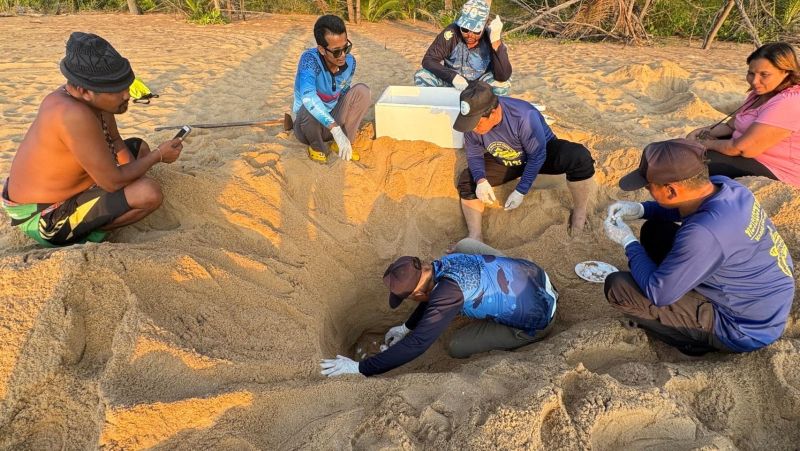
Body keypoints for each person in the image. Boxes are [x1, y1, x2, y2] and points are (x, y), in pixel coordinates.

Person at [603, 139, 795, 356]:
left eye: (649, 187)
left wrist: (628, 242)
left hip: (743, 328)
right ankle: (682, 287)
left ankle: (691, 342)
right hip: (765, 300)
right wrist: (640, 209)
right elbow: (683, 209)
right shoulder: (728, 187)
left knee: (618, 287)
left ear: (671, 190)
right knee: (654, 230)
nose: (647, 190)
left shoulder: (703, 233)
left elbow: (659, 294)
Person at [2, 32, 183, 247]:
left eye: (126, 85)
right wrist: (158, 156)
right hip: (47, 216)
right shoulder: (71, 114)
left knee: (138, 148)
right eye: (117, 90)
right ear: (84, 91)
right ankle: (90, 229)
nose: (127, 95)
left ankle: (105, 206)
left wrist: (134, 171)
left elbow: (115, 141)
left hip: (80, 185)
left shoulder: (92, 98)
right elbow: (112, 181)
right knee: (148, 192)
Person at [319, 238, 558, 377]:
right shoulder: (441, 264)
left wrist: (360, 368)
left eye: (409, 298)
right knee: (465, 244)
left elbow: (418, 344)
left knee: (456, 345)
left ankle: (521, 330)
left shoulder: (447, 294)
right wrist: (405, 326)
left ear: (418, 292)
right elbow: (430, 297)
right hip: (535, 274)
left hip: (540, 317)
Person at [452, 80, 595, 244]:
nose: (472, 128)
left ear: (493, 112)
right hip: (505, 158)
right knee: (467, 180)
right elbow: (474, 154)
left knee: (579, 157)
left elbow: (538, 155)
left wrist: (521, 189)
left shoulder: (523, 116)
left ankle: (580, 212)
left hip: (540, 154)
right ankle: (475, 236)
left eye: (476, 123)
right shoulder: (472, 124)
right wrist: (481, 179)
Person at [686, 42, 800, 186]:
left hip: (776, 169)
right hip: (743, 150)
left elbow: (743, 148)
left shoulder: (789, 102)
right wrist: (700, 132)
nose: (754, 81)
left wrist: (705, 144)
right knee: (678, 149)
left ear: (786, 72)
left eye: (764, 75)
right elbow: (731, 125)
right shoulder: (759, 94)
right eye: (751, 73)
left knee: (688, 162)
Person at [292, 14, 371, 164]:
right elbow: (308, 96)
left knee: (362, 91)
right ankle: (317, 148)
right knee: (308, 105)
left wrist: (341, 132)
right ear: (322, 49)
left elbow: (344, 91)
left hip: (333, 125)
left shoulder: (350, 62)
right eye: (336, 51)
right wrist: (336, 130)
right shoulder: (309, 60)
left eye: (346, 48)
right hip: (307, 128)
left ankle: (340, 144)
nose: (342, 56)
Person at [413, 0, 512, 95]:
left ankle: (488, 110)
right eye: (465, 29)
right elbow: (429, 60)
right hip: (452, 82)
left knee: (502, 84)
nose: (470, 35)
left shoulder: (491, 36)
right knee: (422, 75)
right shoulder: (452, 33)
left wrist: (496, 42)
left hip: (479, 86)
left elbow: (503, 75)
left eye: (476, 31)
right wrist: (453, 77)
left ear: (484, 26)